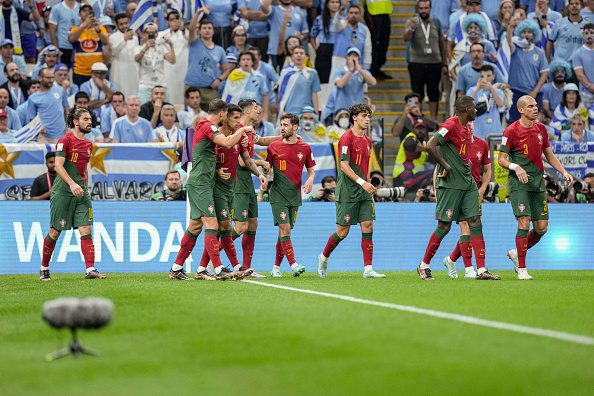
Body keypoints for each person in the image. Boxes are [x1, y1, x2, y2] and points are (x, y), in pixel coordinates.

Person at [168, 99, 253, 281]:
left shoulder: (205, 127)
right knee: (212, 225)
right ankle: (218, 268)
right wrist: (243, 129)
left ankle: (176, 268)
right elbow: (228, 142)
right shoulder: (208, 126)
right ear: (222, 114)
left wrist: (215, 169)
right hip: (200, 185)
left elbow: (206, 156)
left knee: (195, 227)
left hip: (204, 183)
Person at [418, 95, 500, 281]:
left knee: (475, 222)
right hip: (450, 184)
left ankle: (481, 270)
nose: (476, 110)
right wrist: (446, 167)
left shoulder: (466, 129)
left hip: (468, 182)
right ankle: (424, 265)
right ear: (464, 110)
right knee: (444, 226)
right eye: (473, 108)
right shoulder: (451, 124)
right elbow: (431, 145)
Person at [498, 95, 574, 280]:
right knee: (524, 221)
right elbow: (501, 159)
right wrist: (516, 167)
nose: (535, 108)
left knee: (541, 228)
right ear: (521, 110)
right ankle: (522, 269)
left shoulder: (541, 129)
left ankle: (516, 253)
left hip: (538, 184)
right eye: (530, 106)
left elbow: (549, 154)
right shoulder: (511, 131)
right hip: (519, 184)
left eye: (536, 105)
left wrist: (563, 171)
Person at [194, 104, 266, 279]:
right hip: (215, 188)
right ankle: (216, 265)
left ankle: (206, 266)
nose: (238, 122)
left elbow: (246, 159)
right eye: (234, 118)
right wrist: (217, 169)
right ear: (225, 117)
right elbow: (207, 157)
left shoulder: (238, 136)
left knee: (223, 227)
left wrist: (259, 174)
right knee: (220, 227)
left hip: (231, 188)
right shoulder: (217, 135)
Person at [317, 103, 384, 278]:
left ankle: (368, 269)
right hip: (348, 191)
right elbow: (344, 166)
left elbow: (366, 167)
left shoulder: (368, 141)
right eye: (363, 115)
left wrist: (368, 186)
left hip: (363, 192)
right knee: (343, 231)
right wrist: (363, 183)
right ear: (354, 118)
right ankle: (323, 257)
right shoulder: (346, 138)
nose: (367, 119)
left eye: (369, 116)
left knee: (368, 226)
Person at [39, 107, 106, 281]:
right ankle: (44, 267)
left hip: (81, 193)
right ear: (75, 122)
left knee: (86, 229)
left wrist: (85, 187)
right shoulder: (65, 140)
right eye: (85, 119)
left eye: (90, 119)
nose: (89, 122)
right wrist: (72, 184)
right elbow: (58, 166)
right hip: (63, 192)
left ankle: (90, 269)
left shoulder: (89, 144)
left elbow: (84, 170)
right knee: (55, 231)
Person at [231, 99, 278, 277]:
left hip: (247, 183)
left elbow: (264, 140)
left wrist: (285, 137)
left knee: (253, 224)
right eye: (256, 108)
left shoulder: (250, 132)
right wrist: (261, 163)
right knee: (241, 226)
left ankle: (246, 268)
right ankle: (214, 259)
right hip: (237, 184)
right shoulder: (237, 131)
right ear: (246, 111)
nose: (259, 111)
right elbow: (242, 161)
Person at [267, 113, 315, 277]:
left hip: (294, 196)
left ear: (295, 127)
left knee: (284, 233)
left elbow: (311, 170)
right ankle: (294, 265)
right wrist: (267, 174)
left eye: (286, 125)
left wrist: (310, 179)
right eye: (281, 125)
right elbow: (268, 168)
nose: (282, 128)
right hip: (278, 194)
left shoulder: (305, 148)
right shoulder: (274, 146)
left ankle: (275, 268)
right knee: (285, 228)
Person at [442, 133, 491, 279]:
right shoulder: (453, 143)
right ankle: (469, 269)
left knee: (473, 228)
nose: (469, 124)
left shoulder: (482, 144)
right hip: (457, 189)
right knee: (465, 225)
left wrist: (482, 188)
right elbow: (439, 168)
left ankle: (451, 260)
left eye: (471, 121)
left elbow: (488, 169)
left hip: (474, 190)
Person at [404, 0, 447, 120]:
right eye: (421, 8)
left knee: (434, 93)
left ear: (430, 8)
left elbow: (441, 43)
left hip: (435, 62)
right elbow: (405, 38)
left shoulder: (436, 22)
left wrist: (445, 63)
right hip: (417, 62)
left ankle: (433, 120)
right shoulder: (412, 21)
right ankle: (419, 119)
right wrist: (411, 28)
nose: (423, 11)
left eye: (426, 8)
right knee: (417, 93)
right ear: (417, 9)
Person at [506, 19, 549, 123]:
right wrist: (510, 28)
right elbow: (508, 41)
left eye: (529, 32)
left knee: (534, 124)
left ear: (534, 34)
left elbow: (544, 74)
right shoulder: (515, 49)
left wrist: (535, 91)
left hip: (533, 93)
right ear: (519, 33)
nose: (527, 34)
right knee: (514, 123)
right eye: (524, 32)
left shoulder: (539, 52)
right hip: (515, 92)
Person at [185, 17, 229, 111]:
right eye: (204, 28)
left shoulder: (219, 50)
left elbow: (226, 70)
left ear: (213, 31)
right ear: (199, 31)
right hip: (192, 87)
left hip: (210, 90)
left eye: (209, 28)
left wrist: (219, 79)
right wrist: (198, 13)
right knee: (191, 119)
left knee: (213, 118)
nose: (207, 30)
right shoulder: (194, 42)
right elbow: (192, 28)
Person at [67, 3, 108, 86]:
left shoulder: (100, 28)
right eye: (84, 11)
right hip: (80, 71)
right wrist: (83, 26)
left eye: (90, 11)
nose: (87, 13)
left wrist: (98, 30)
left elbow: (106, 42)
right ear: (79, 14)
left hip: (98, 70)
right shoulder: (74, 28)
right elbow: (71, 39)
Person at [329, 47, 376, 119]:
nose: (352, 58)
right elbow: (340, 84)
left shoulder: (362, 72)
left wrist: (360, 70)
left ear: (359, 59)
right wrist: (351, 71)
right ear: (347, 58)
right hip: (342, 110)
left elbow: (373, 82)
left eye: (355, 56)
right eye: (350, 55)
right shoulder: (340, 70)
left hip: (357, 111)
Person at [134, 22, 176, 104]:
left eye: (154, 32)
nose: (151, 34)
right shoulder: (139, 48)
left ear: (157, 34)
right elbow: (137, 59)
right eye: (148, 32)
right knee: (144, 111)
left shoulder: (161, 47)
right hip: (146, 85)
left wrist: (171, 46)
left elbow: (172, 61)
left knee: (164, 111)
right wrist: (146, 48)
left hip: (161, 85)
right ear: (144, 34)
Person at [221, 50, 269, 119]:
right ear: (239, 62)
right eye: (243, 59)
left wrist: (265, 114)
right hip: (237, 111)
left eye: (248, 59)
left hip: (254, 112)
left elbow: (265, 96)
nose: (246, 61)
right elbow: (228, 93)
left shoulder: (259, 76)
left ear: (252, 62)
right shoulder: (234, 75)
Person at [261, 0, 308, 69]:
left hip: (294, 51)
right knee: (278, 76)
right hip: (276, 50)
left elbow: (305, 32)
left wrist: (301, 36)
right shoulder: (274, 10)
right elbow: (264, 6)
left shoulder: (299, 11)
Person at [27, 67, 69, 143]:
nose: (51, 80)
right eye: (48, 78)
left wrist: (69, 127)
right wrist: (39, 128)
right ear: (40, 78)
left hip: (62, 136)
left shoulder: (60, 90)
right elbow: (31, 119)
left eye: (52, 77)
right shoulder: (33, 98)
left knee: (61, 155)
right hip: (44, 137)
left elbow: (66, 109)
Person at [277, 46, 321, 117]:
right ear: (292, 56)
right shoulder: (286, 72)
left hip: (307, 112)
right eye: (296, 53)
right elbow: (281, 93)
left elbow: (314, 94)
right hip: (290, 112)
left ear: (306, 56)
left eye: (301, 53)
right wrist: (282, 110)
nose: (299, 55)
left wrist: (316, 113)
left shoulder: (313, 73)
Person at [392, 120, 433, 190]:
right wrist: (427, 149)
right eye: (417, 128)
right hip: (402, 175)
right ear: (413, 129)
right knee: (432, 171)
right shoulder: (411, 137)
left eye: (422, 129)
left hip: (414, 177)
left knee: (433, 169)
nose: (420, 131)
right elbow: (409, 144)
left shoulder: (424, 143)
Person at [466, 64, 504, 139]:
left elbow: (500, 104)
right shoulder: (472, 90)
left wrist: (491, 88)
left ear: (493, 77)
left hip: (494, 131)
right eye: (482, 76)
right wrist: (477, 89)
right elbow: (467, 106)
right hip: (477, 132)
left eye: (488, 76)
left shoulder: (498, 91)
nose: (485, 79)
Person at [158, 10, 188, 105]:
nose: (175, 22)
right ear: (168, 22)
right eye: (172, 20)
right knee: (169, 93)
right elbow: (157, 42)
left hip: (184, 68)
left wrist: (183, 29)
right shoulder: (161, 34)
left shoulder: (186, 33)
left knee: (182, 93)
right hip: (168, 69)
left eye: (177, 19)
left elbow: (191, 41)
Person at [109, 13, 139, 98]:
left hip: (133, 70)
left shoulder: (135, 38)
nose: (124, 26)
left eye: (126, 23)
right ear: (117, 25)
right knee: (120, 92)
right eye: (121, 24)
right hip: (119, 70)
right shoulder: (113, 37)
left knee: (133, 94)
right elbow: (114, 52)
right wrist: (124, 39)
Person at [572, 23, 594, 108]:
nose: (589, 35)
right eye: (586, 33)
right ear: (583, 35)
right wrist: (590, 86)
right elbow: (579, 75)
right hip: (585, 93)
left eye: (592, 33)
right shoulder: (578, 53)